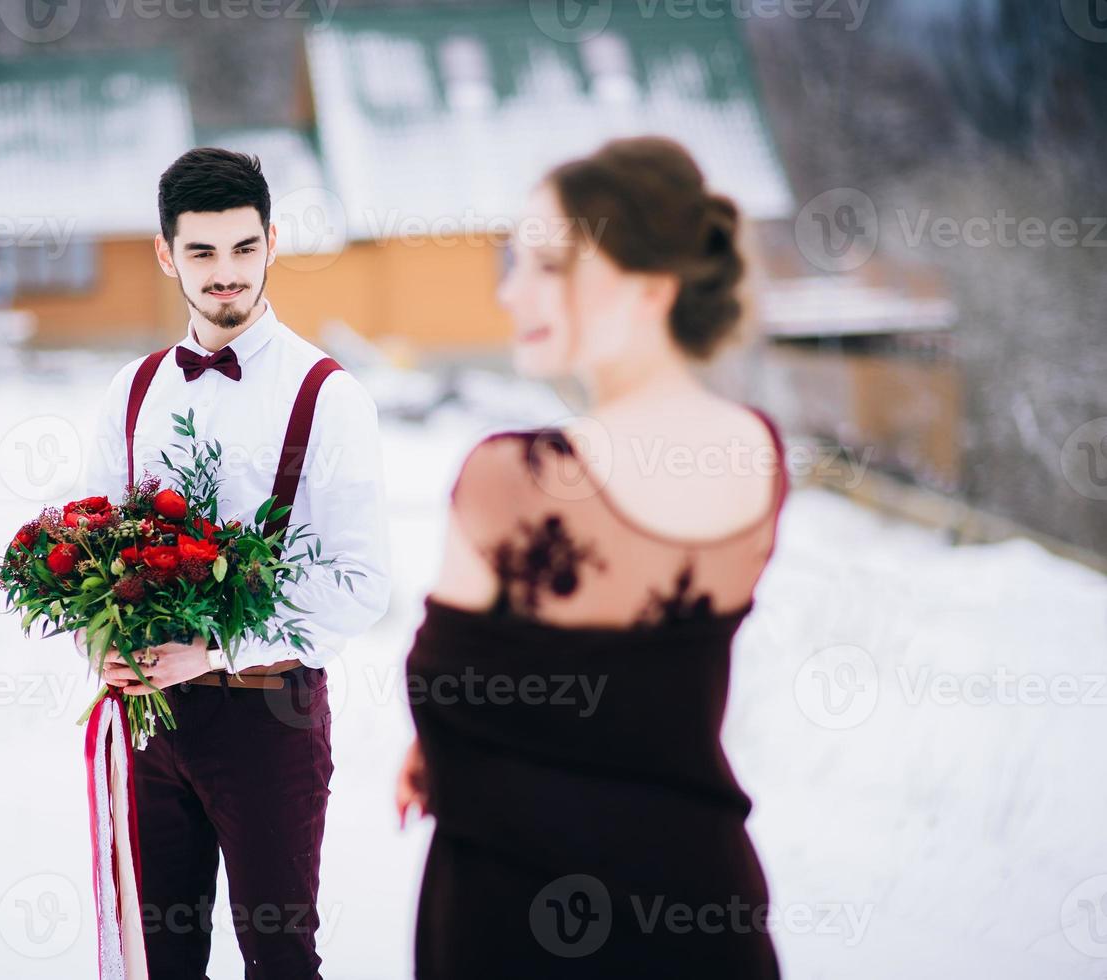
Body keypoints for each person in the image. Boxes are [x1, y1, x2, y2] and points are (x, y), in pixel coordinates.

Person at [396, 136, 787, 978]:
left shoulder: (515, 476)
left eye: (550, 263)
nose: (512, 291)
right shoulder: (758, 450)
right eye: (515, 261)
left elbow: (451, 696)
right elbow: (635, 696)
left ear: (649, 286)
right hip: (705, 912)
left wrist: (441, 739)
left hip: (521, 924)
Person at [79, 147, 392, 979]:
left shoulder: (329, 397)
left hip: (269, 720)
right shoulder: (133, 390)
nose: (226, 275)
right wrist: (99, 631)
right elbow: (92, 543)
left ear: (272, 242)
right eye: (203, 253)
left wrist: (214, 651)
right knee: (163, 959)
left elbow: (361, 586)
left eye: (244, 249)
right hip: (151, 724)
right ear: (164, 252)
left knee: (281, 960)